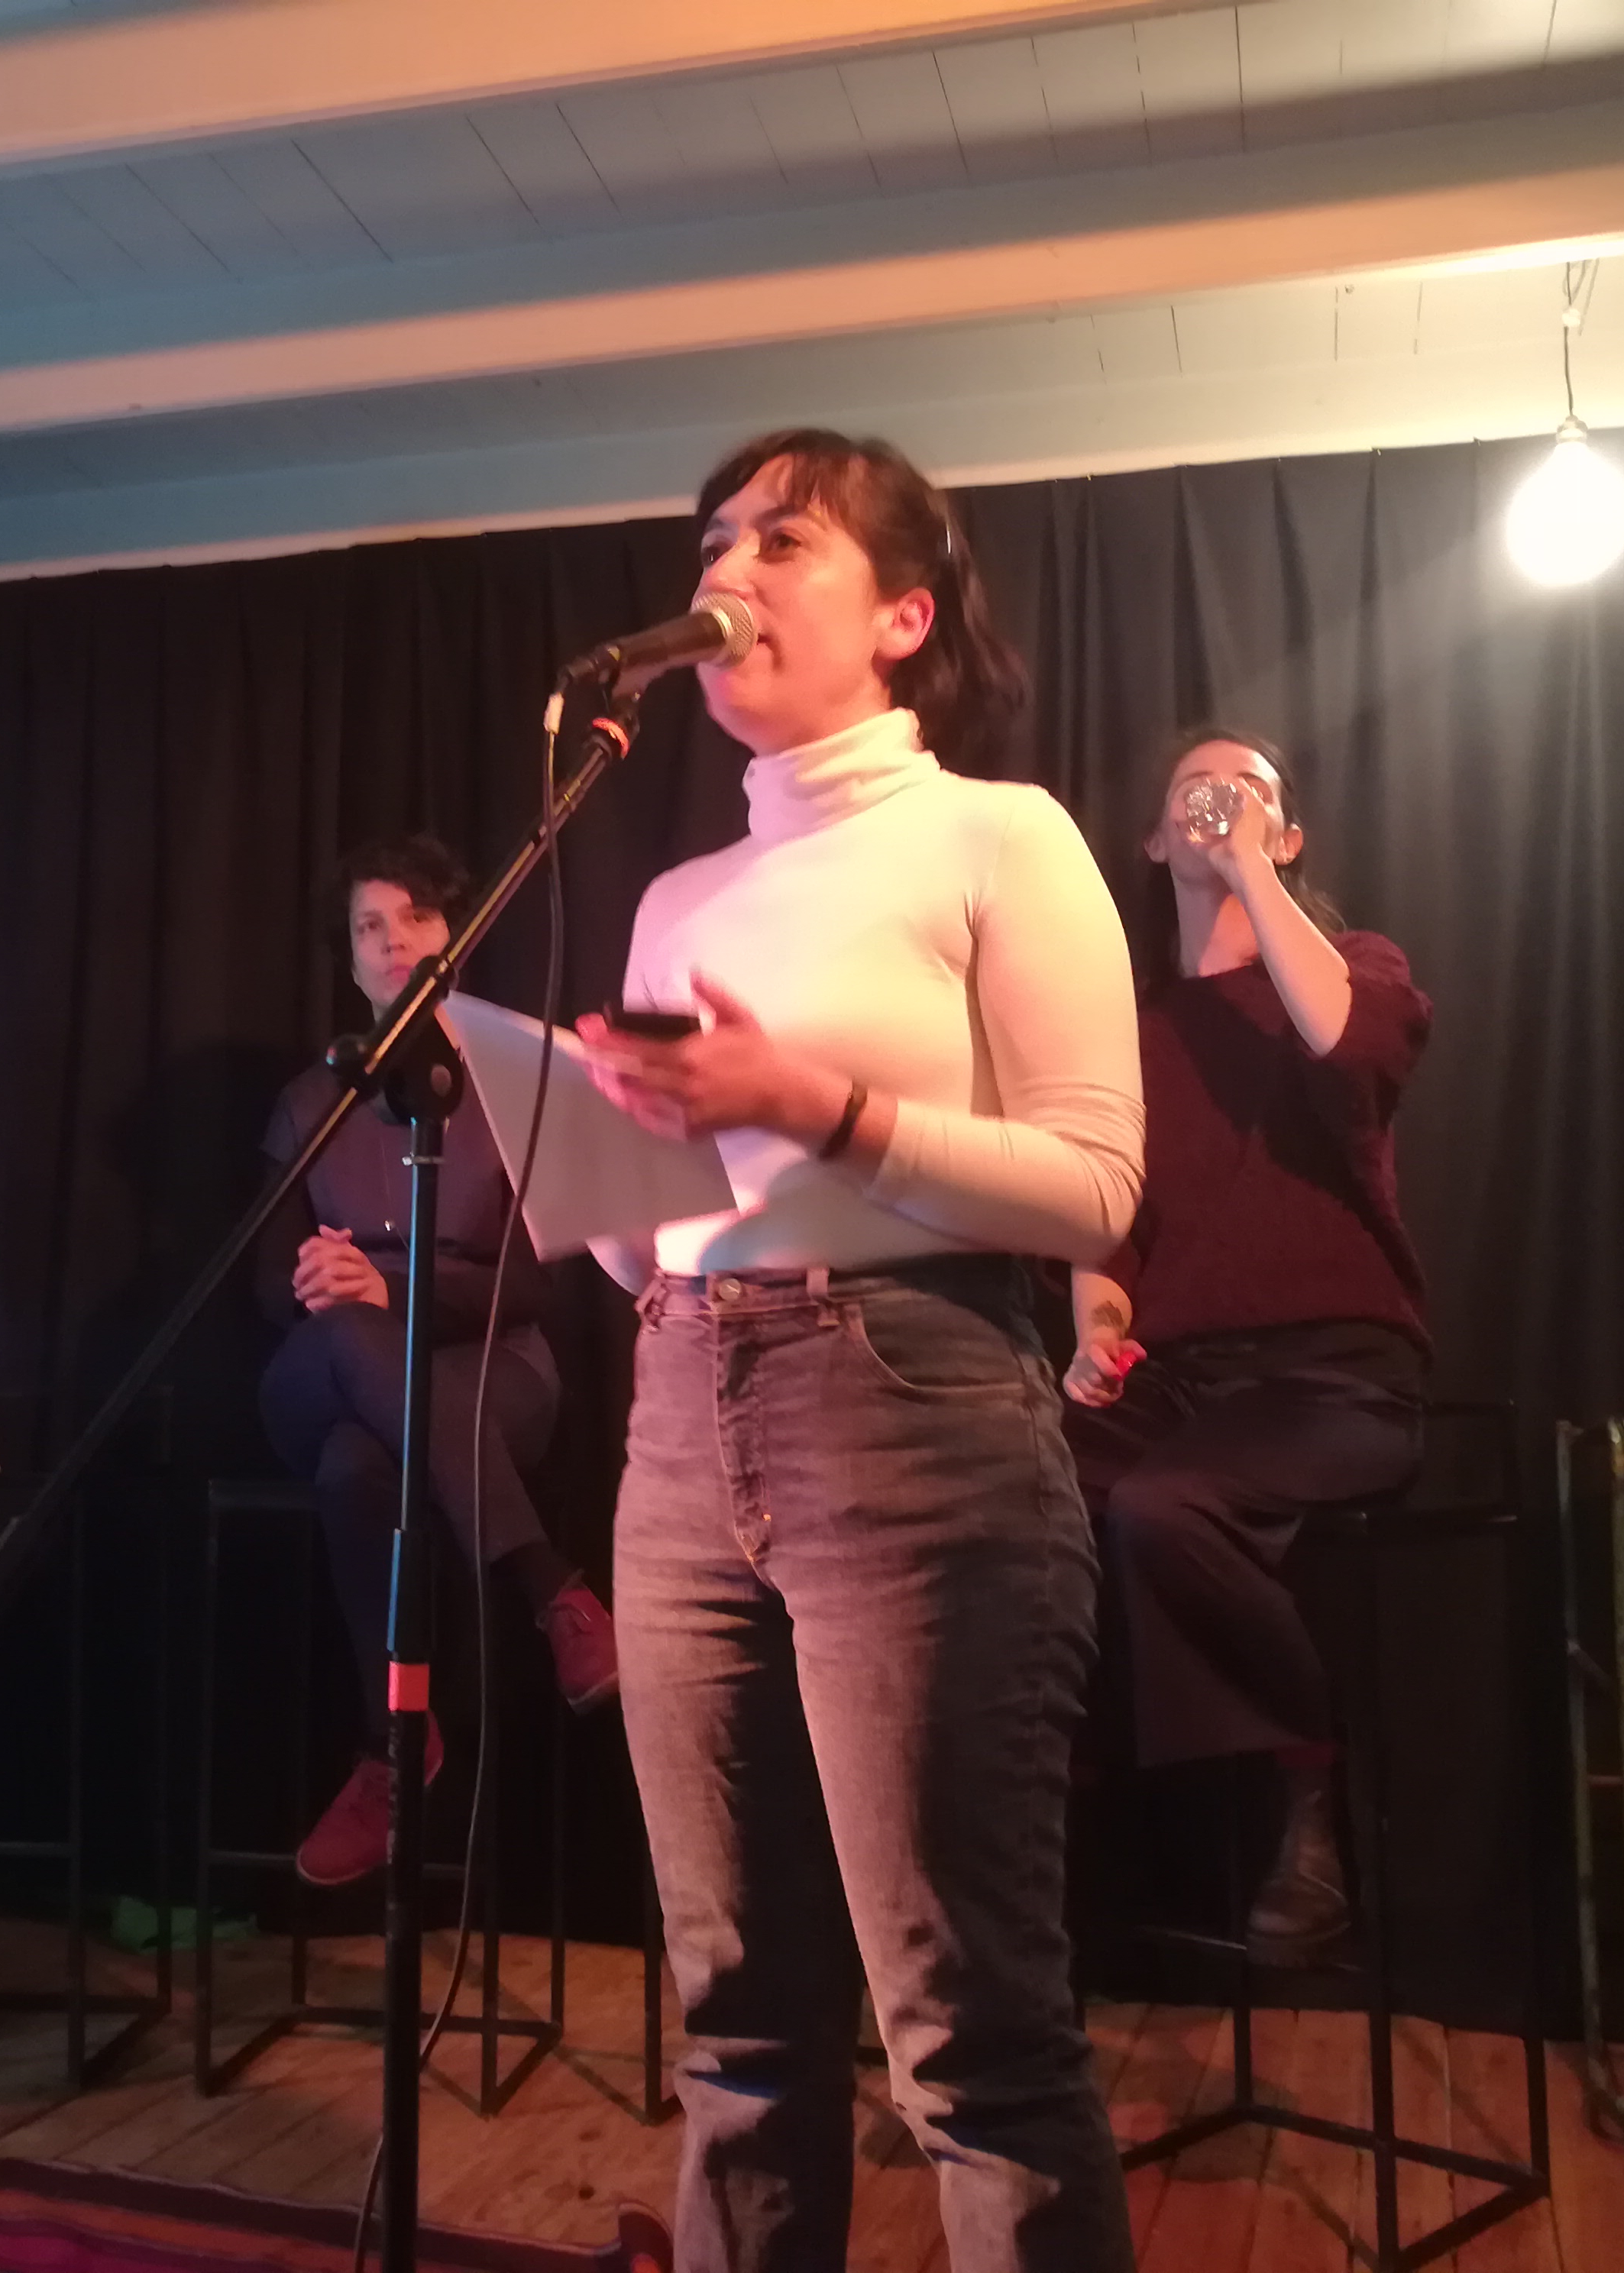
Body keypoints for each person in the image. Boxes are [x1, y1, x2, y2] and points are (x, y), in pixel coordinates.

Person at [577, 430, 1143, 2273]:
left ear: (902, 616)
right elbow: (652, 1238)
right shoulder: (676, 897)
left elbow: (1094, 1186)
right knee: (733, 2021)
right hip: (680, 1410)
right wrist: (593, 1160)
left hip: (910, 1412)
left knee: (967, 2033)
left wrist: (810, 1103)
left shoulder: (997, 834)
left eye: (781, 542)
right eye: (711, 543)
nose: (726, 573)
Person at [1062, 726, 1432, 1965]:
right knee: (1013, 1492)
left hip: (1332, 1377)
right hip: (1182, 1381)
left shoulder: (1354, 967)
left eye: (1248, 793)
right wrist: (1098, 1332)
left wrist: (1254, 874)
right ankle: (1045, 1817)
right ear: (1152, 840)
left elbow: (1354, 1049)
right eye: (1194, 792)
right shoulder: (1128, 1031)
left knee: (1166, 1507)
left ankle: (1304, 1790)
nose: (1217, 805)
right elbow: (1110, 1228)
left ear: (1289, 833)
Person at [255, 833, 621, 1889]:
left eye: (414, 916)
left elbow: (538, 1287)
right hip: (328, 1362)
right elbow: (263, 1285)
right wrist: (320, 1280)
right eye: (369, 926)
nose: (393, 940)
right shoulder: (309, 1101)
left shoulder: (514, 1084)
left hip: (492, 1367)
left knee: (355, 1471)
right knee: (345, 1340)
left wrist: (397, 1293)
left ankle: (393, 1750)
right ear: (350, 958)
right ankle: (553, 1589)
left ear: (455, 933)